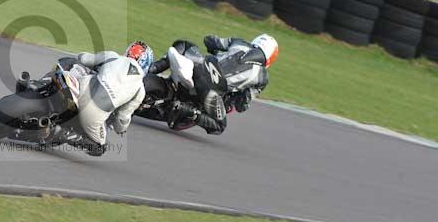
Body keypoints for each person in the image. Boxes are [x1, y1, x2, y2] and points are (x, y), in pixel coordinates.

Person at [148, 34, 278, 135]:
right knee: (219, 126)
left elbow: (210, 40)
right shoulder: (262, 78)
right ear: (271, 58)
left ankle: (151, 68)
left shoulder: (238, 42)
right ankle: (187, 110)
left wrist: (217, 52)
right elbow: (241, 105)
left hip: (200, 66)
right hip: (212, 91)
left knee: (184, 45)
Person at [49, 41, 152, 156]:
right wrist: (121, 129)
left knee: (75, 65)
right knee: (99, 147)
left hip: (80, 89)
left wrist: (83, 58)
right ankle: (63, 133)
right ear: (146, 64)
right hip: (93, 114)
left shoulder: (113, 56)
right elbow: (122, 118)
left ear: (128, 52)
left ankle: (44, 85)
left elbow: (84, 58)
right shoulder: (140, 90)